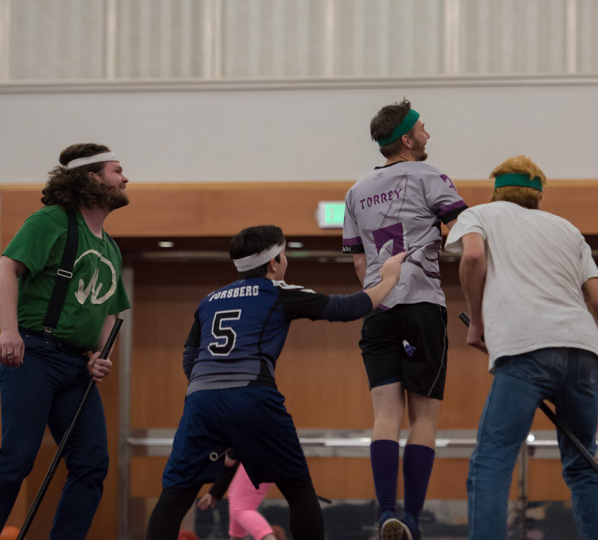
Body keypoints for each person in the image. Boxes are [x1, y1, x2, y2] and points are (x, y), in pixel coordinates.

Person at [146, 225, 406, 540]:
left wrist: (214, 395)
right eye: (285, 254)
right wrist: (389, 279)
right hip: (252, 396)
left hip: (200, 400)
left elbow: (190, 357)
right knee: (297, 488)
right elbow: (346, 308)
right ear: (274, 263)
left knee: (175, 494)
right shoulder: (277, 292)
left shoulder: (209, 300)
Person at [443, 155, 598, 540]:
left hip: (526, 348)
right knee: (584, 467)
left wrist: (478, 320)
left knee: (492, 461)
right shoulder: (567, 230)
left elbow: (472, 255)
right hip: (584, 352)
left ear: (496, 193)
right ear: (538, 198)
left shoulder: (479, 215)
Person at [0, 144, 131, 540]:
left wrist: (101, 354)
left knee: (91, 463)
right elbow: (6, 271)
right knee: (17, 458)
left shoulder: (110, 246)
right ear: (91, 178)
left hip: (76, 367)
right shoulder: (50, 221)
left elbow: (110, 309)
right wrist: (8, 330)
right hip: (35, 356)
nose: (125, 178)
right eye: (116, 170)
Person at [343, 100, 467, 540]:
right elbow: (464, 235)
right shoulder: (431, 177)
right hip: (422, 305)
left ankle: (384, 513)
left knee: (385, 415)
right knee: (424, 419)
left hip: (377, 309)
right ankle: (411, 519)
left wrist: (379, 294)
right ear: (408, 140)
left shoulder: (356, 191)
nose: (428, 134)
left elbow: (360, 262)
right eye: (423, 129)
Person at [197, 450, 278, 540]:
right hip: (264, 457)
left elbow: (231, 459)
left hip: (258, 456)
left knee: (240, 509)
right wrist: (214, 492)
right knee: (235, 500)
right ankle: (236, 536)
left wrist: (231, 454)